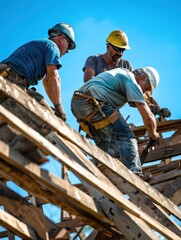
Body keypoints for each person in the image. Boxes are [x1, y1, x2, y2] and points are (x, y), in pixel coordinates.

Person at [71, 67, 161, 175]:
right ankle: (135, 176)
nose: (143, 92)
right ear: (142, 78)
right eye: (145, 88)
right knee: (127, 137)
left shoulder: (121, 74)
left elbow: (143, 102)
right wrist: (154, 134)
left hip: (78, 104)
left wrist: (156, 108)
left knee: (107, 148)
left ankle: (95, 174)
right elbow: (147, 115)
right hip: (93, 104)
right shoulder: (131, 80)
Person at [83, 30, 171, 119]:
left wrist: (156, 108)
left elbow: (137, 88)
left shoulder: (125, 66)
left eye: (122, 50)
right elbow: (89, 81)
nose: (120, 53)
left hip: (111, 109)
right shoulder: (94, 59)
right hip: (92, 105)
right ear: (108, 46)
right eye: (117, 49)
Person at [0, 22, 76, 121]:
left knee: (44, 110)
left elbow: (47, 81)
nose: (67, 51)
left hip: (10, 76)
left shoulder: (43, 45)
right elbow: (53, 77)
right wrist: (58, 107)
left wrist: (54, 108)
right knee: (42, 119)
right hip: (11, 78)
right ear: (62, 38)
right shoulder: (53, 46)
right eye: (68, 45)